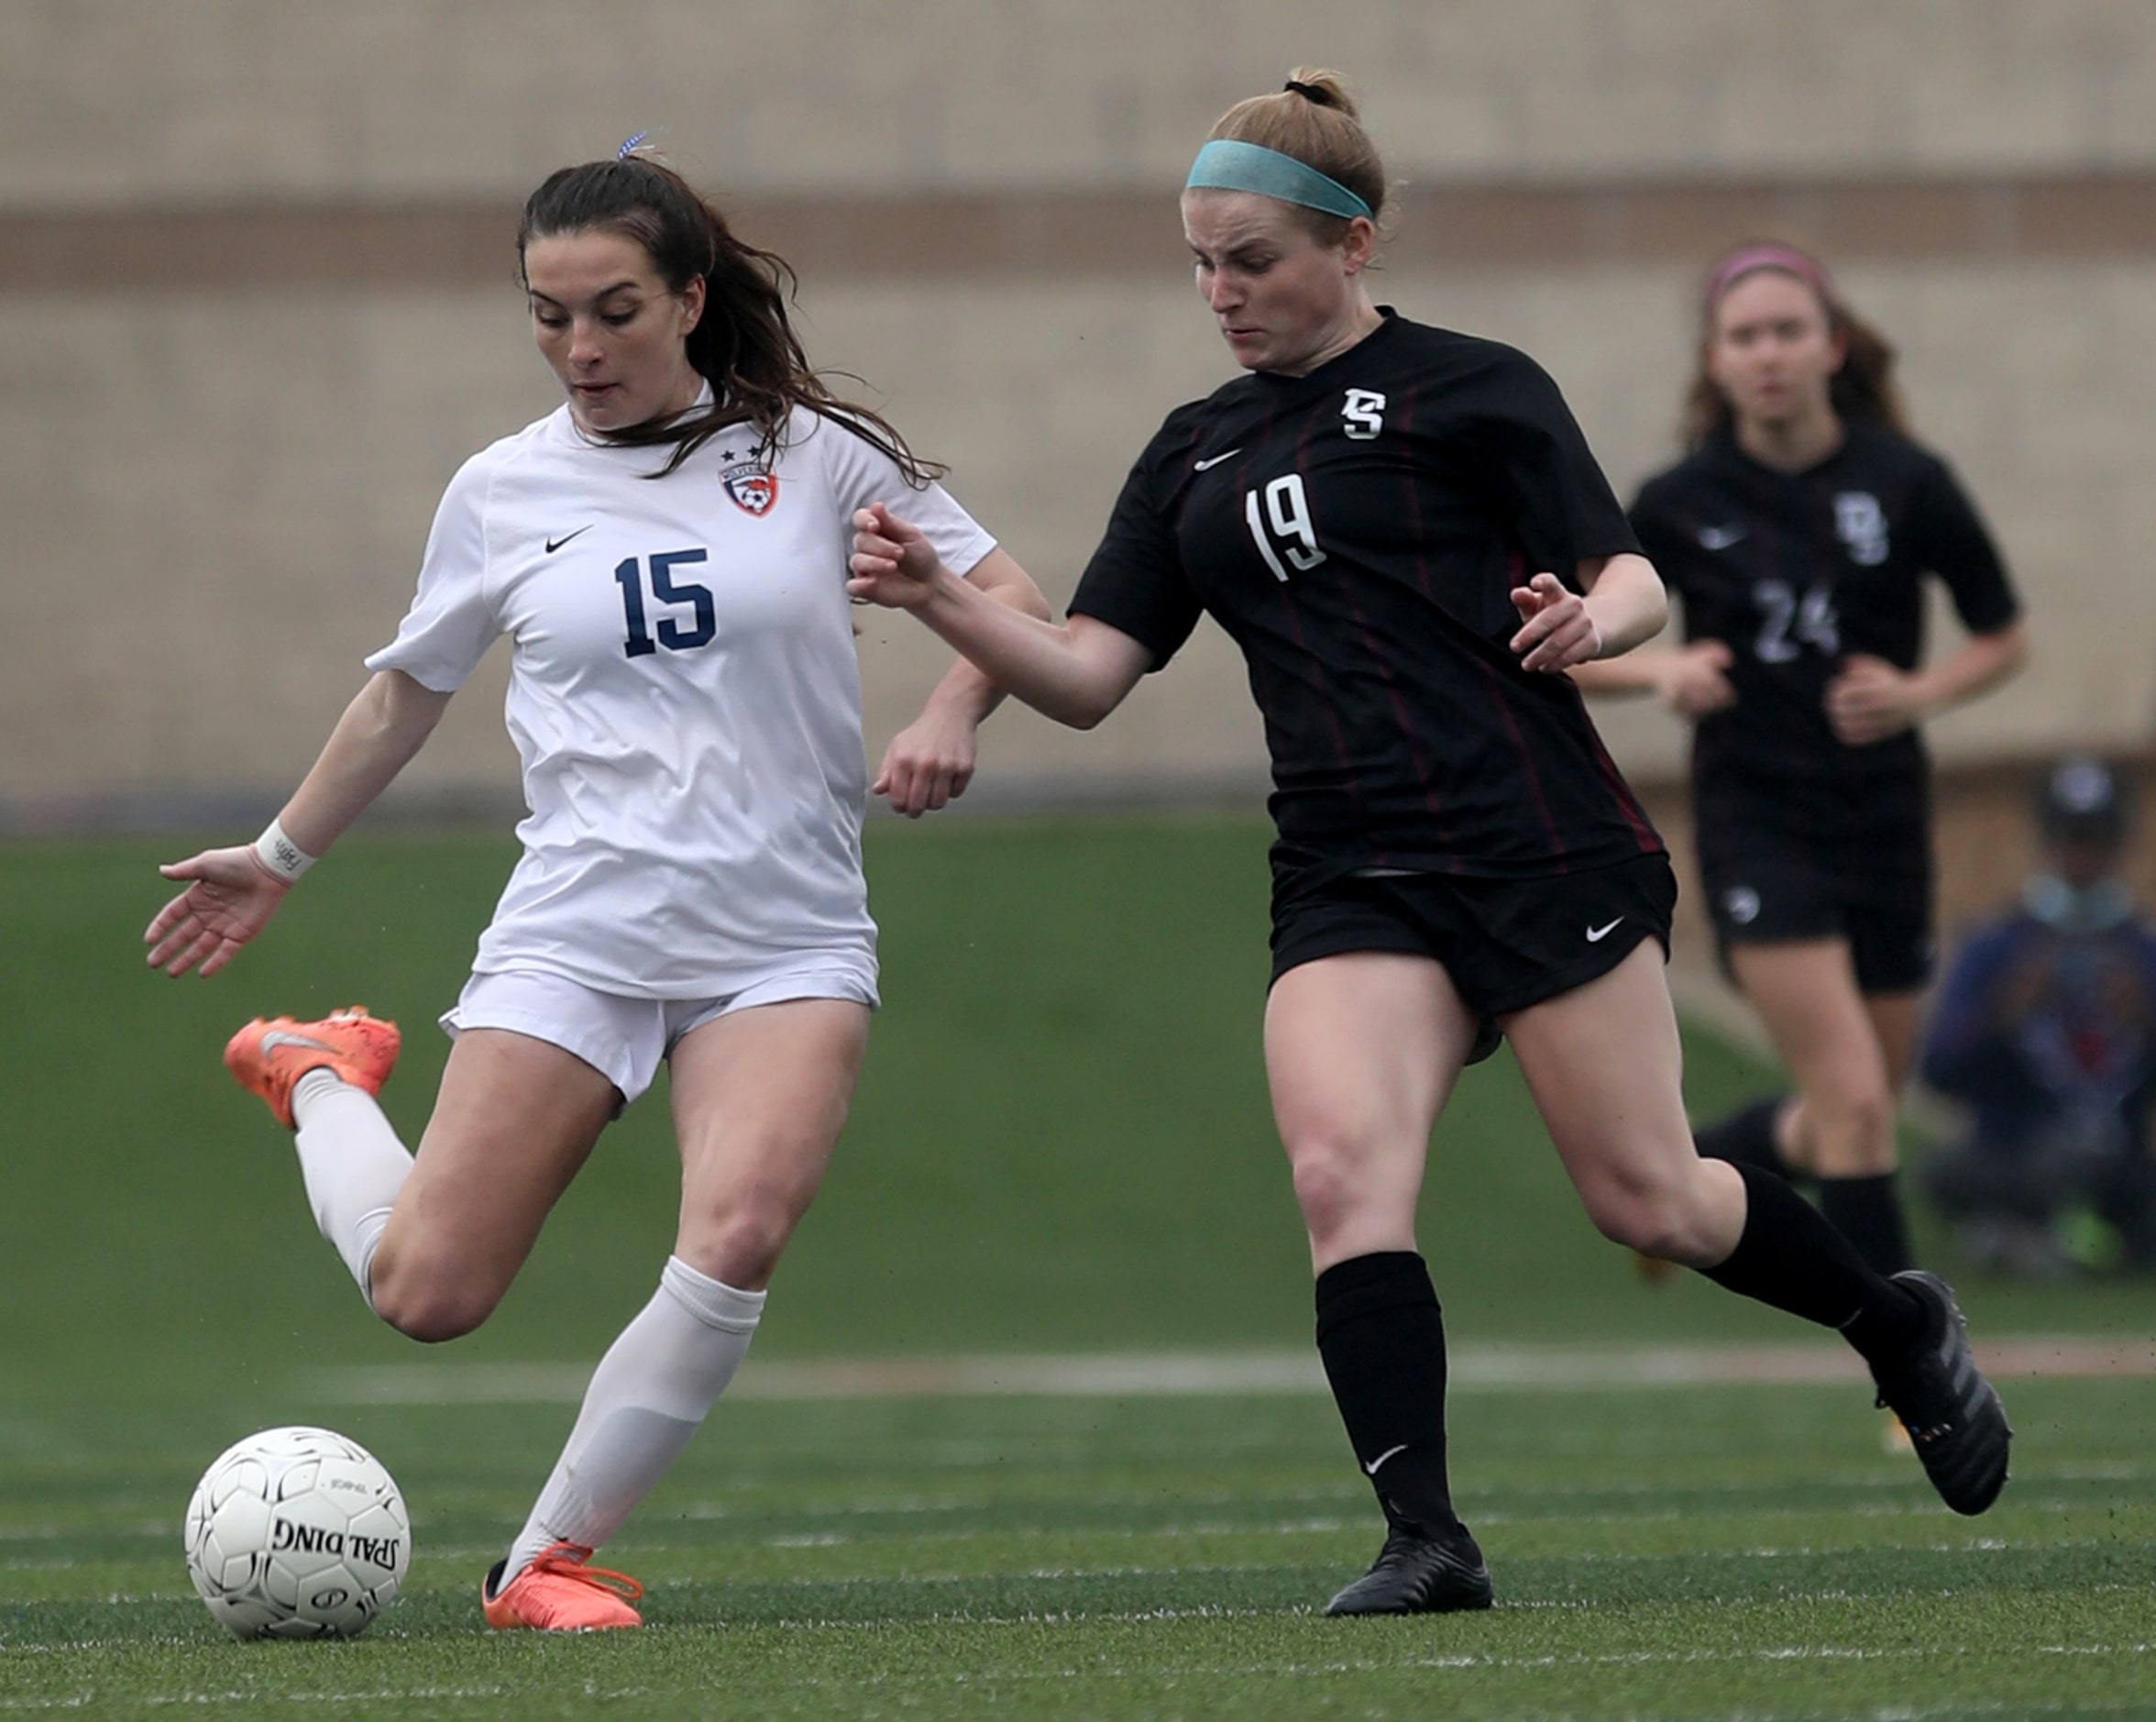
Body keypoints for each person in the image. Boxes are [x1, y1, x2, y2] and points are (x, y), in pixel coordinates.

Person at [843, 69, 2013, 1617]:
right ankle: (1426, 1535)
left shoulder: (1477, 388)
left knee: (1649, 1199)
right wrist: (941, 613)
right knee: (1341, 1173)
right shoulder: (1189, 451)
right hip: (1348, 871)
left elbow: (1635, 574)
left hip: (1535, 844)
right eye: (1199, 261)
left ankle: (1890, 1319)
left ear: (1354, 241)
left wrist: (1596, 615)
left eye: (1250, 259)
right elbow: (1088, 675)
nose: (1221, 292)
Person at [142, 148, 1047, 1631]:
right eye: (548, 317)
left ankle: (541, 1560)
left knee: (741, 1221)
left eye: (613, 311)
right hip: (581, 927)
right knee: (427, 1291)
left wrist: (950, 705)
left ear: (690, 298)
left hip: (783, 931)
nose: (580, 350)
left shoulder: (812, 453)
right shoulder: (502, 488)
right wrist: (277, 855)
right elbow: (401, 695)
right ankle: (315, 1073)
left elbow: (1012, 601)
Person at [1571, 240, 2029, 1286]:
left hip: (1884, 822)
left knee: (1852, 1112)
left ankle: (1698, 1170)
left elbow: (2004, 633)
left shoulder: (1905, 481)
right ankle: (1910, 1373)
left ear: (1831, 346)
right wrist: (1662, 671)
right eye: (1744, 337)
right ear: (1715, 361)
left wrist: (1920, 693)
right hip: (1756, 824)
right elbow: (1556, 646)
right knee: (1858, 1104)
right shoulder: (1677, 500)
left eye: (1786, 331)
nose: (1767, 353)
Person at [1920, 756, 2156, 1274]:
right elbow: (1938, 1069)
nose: (2082, 855)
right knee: (1946, 1172)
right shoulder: (1996, 944)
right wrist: (2005, 1011)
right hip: (2016, 1152)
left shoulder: (2142, 951)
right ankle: (2054, 1235)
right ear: (2047, 841)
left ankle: (2030, 1238)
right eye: (2072, 837)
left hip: (2114, 1154)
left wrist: (2145, 1021)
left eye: (2095, 839)